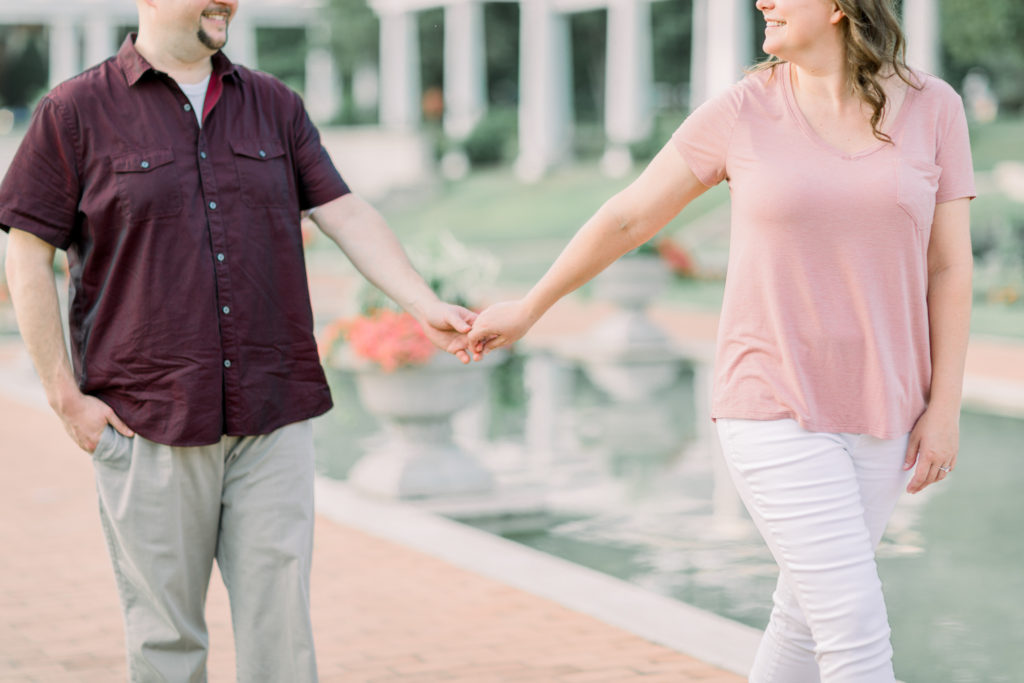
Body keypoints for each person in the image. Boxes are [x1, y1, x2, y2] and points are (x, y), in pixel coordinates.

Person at [468, 0, 974, 680]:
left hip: (888, 407)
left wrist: (944, 407)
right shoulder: (743, 110)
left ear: (839, 7)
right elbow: (627, 216)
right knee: (854, 632)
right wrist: (531, 306)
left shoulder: (933, 107)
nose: (762, 1)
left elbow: (948, 266)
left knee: (802, 619)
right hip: (770, 401)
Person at [1, 1, 476, 680]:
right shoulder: (74, 111)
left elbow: (342, 208)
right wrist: (62, 395)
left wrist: (423, 302)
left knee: (282, 639)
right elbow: (28, 253)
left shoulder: (275, 105)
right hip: (146, 421)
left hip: (272, 412)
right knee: (166, 645)